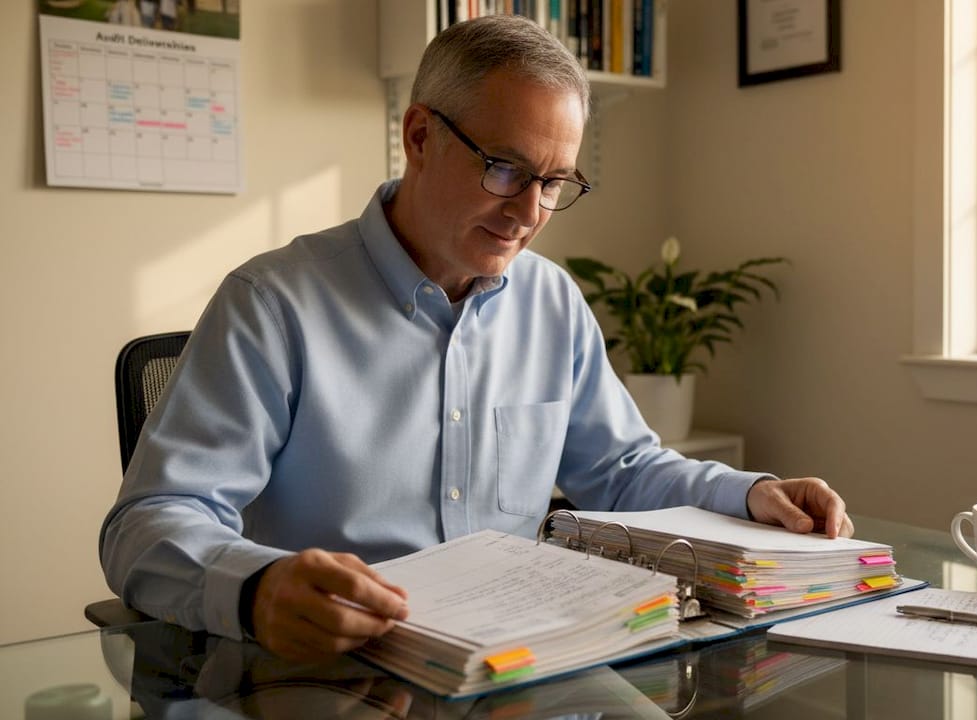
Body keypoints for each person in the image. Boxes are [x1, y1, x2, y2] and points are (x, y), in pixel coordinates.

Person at [100, 14, 855, 664]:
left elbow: (621, 470)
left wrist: (748, 494)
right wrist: (256, 589)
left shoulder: (551, 302)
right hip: (335, 675)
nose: (528, 213)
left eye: (554, 183)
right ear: (419, 136)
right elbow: (148, 522)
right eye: (504, 169)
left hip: (516, 666)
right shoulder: (273, 305)